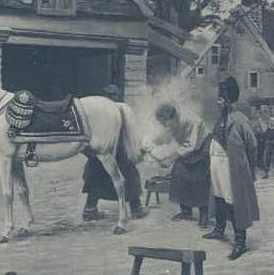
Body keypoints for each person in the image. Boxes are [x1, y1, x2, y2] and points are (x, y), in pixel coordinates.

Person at [201, 77, 260, 260]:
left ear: (227, 100)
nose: (218, 103)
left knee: (233, 201)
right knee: (219, 197)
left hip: (231, 166)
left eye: (220, 99)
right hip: (217, 164)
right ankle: (219, 230)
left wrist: (250, 168)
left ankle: (240, 243)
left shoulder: (239, 119)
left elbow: (252, 145)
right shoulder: (221, 119)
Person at [81, 84, 146, 221]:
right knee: (125, 175)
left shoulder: (103, 111)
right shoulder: (117, 110)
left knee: (99, 175)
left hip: (106, 151)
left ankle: (90, 209)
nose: (112, 98)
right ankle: (135, 209)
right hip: (112, 151)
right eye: (110, 96)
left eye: (113, 95)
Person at [150, 103, 212, 227]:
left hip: (202, 146)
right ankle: (186, 211)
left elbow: (191, 145)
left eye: (165, 123)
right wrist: (155, 142)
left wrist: (170, 158)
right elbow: (173, 136)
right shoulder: (173, 119)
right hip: (188, 147)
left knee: (200, 180)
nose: (164, 126)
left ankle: (204, 214)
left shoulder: (194, 121)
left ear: (173, 118)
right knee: (179, 173)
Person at [249, 104, 269, 178]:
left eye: (259, 113)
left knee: (260, 157)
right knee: (253, 157)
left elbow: (265, 130)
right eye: (256, 112)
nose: (257, 114)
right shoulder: (251, 121)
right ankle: (253, 174)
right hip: (253, 140)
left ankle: (264, 172)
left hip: (261, 141)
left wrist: (260, 121)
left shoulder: (264, 120)